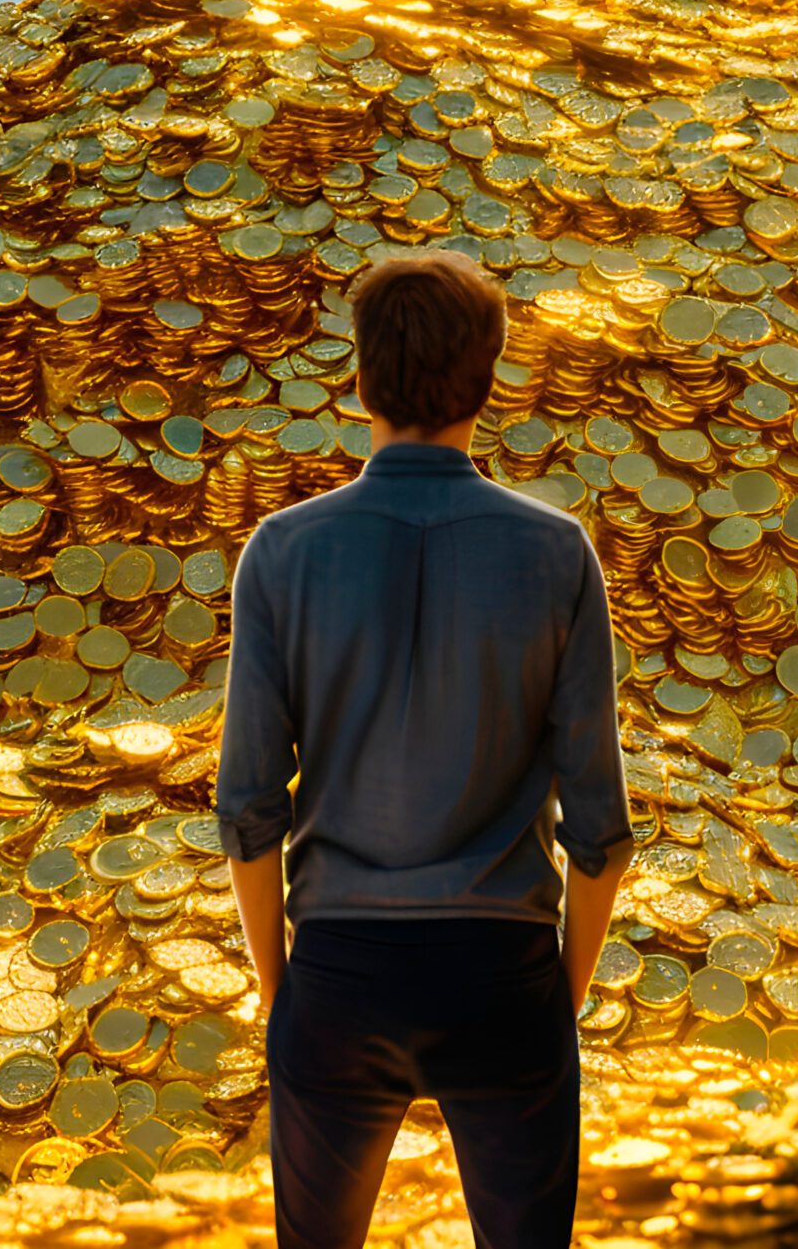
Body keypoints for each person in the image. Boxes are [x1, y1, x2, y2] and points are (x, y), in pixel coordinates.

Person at [212, 246, 640, 1249]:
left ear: (357, 382)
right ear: (489, 386)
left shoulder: (282, 548)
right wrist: (556, 1001)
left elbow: (246, 814)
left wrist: (287, 995)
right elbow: (600, 827)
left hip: (339, 967)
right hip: (503, 968)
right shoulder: (553, 549)